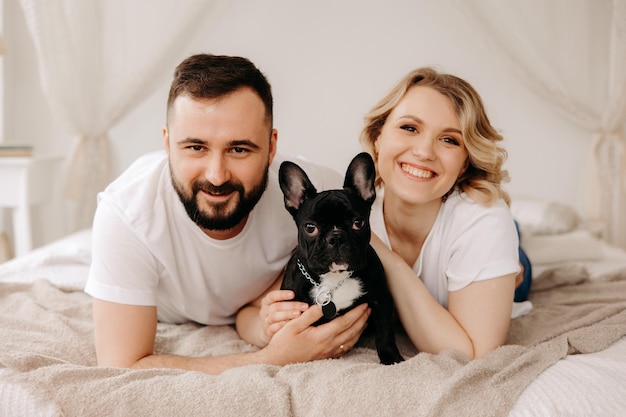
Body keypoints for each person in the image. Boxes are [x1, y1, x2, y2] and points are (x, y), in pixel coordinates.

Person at [85, 53, 370, 375]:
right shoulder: (127, 214)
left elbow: (253, 314)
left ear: (271, 146)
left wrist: (269, 328)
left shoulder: (318, 198)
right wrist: (274, 358)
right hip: (170, 309)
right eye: (195, 147)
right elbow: (122, 364)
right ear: (167, 143)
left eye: (239, 149)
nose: (217, 175)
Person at [359, 67, 521, 359]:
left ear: (464, 163)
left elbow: (472, 354)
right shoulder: (347, 211)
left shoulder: (484, 220)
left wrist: (389, 260)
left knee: (520, 266)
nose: (424, 152)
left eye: (449, 140)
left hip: (483, 232)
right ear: (377, 138)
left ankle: (515, 261)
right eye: (409, 128)